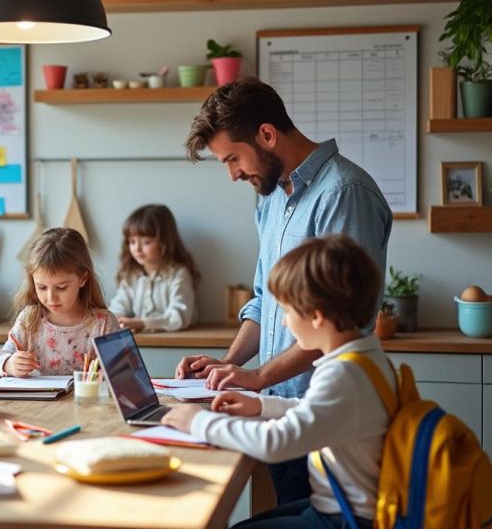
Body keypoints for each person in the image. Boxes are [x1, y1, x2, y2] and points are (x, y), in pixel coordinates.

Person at [175, 77, 392, 504]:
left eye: (233, 158)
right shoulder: (271, 197)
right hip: (278, 406)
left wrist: (256, 378)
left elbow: (341, 319)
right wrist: (229, 365)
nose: (234, 173)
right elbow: (263, 298)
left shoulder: (344, 193)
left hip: (324, 421)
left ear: (267, 135)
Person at [163, 235, 392, 529]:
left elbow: (275, 442)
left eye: (286, 311)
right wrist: (259, 405)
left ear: (317, 317)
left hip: (347, 517)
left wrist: (197, 421)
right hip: (344, 505)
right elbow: (315, 410)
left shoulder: (342, 375)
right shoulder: (366, 357)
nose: (283, 322)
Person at [0, 227, 120, 377]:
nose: (51, 297)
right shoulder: (29, 319)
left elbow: (124, 375)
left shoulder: (104, 324)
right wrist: (9, 364)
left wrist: (111, 374)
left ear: (83, 278)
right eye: (42, 287)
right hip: (37, 401)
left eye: (61, 287)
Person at [109, 204, 199, 332]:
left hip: (174, 341)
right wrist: (116, 319)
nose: (137, 249)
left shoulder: (179, 274)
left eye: (146, 242)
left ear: (165, 242)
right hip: (142, 342)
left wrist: (140, 323)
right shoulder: (132, 275)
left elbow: (180, 316)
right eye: (132, 242)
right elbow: (117, 306)